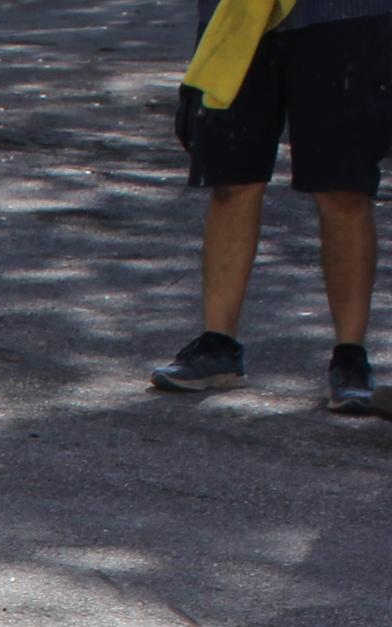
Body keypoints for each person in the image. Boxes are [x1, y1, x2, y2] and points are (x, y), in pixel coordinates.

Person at [152, 0, 392, 412]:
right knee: (230, 180)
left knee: (344, 189)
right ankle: (217, 345)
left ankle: (351, 357)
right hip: (235, 15)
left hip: (346, 15)